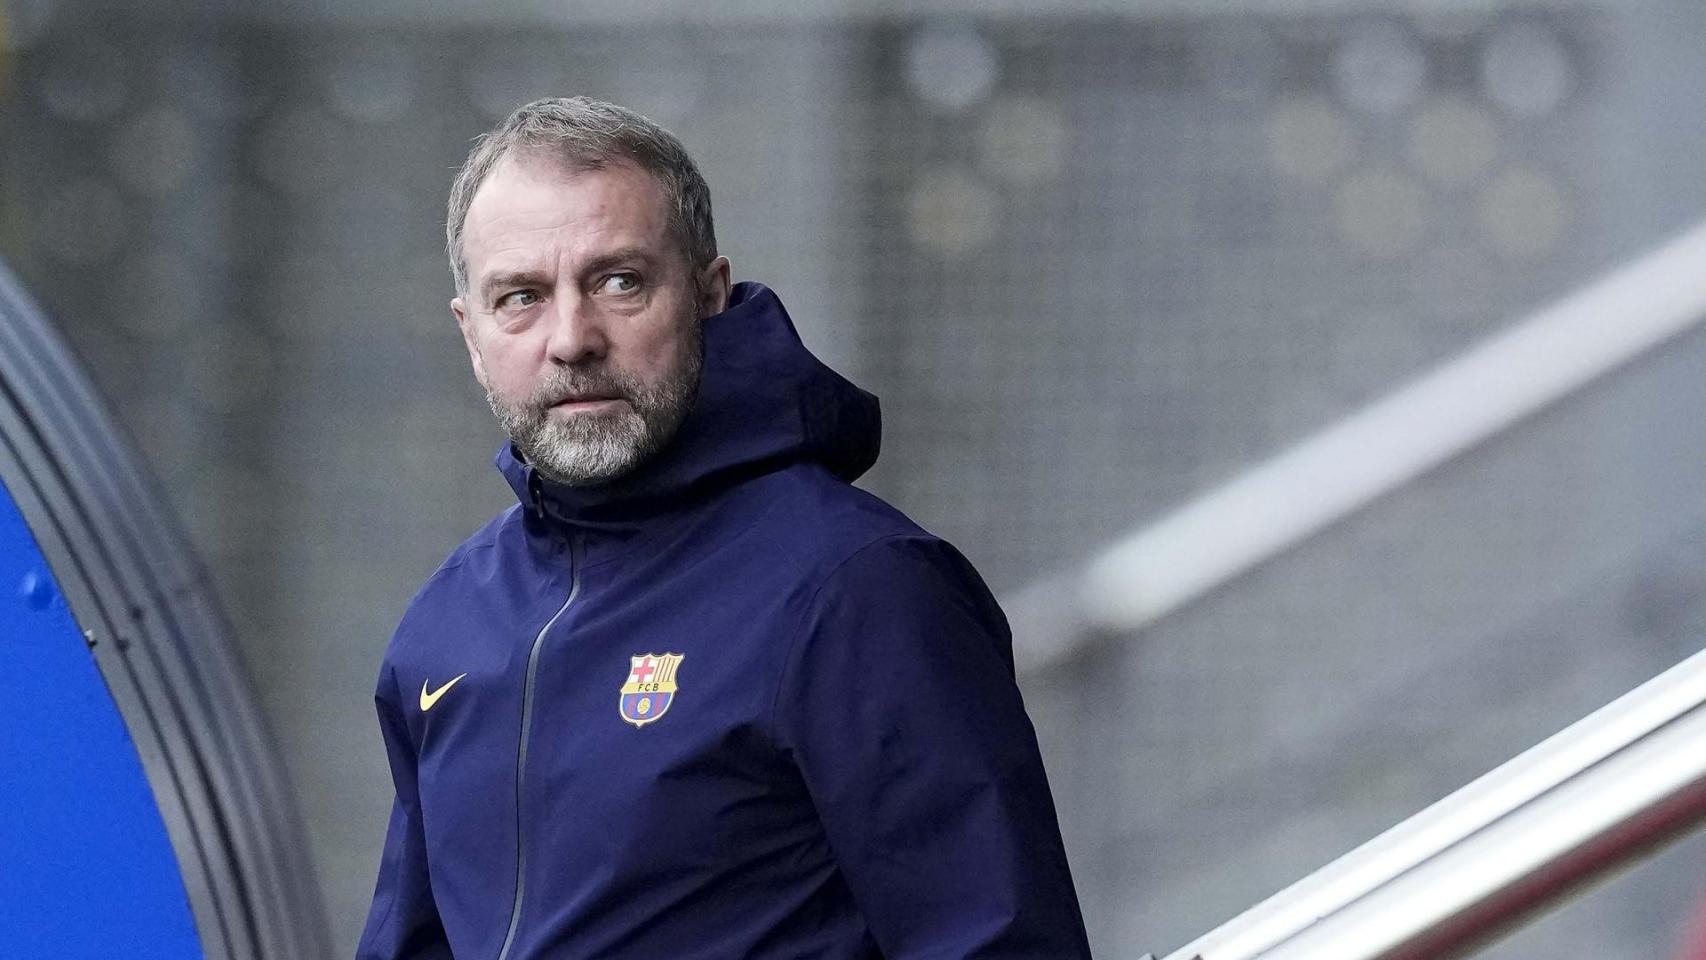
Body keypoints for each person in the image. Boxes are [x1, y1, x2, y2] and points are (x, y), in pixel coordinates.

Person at [357, 96, 1092, 960]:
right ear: (472, 334)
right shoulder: (445, 629)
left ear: (707, 295)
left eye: (618, 281)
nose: (571, 338)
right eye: (520, 297)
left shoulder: (857, 588)